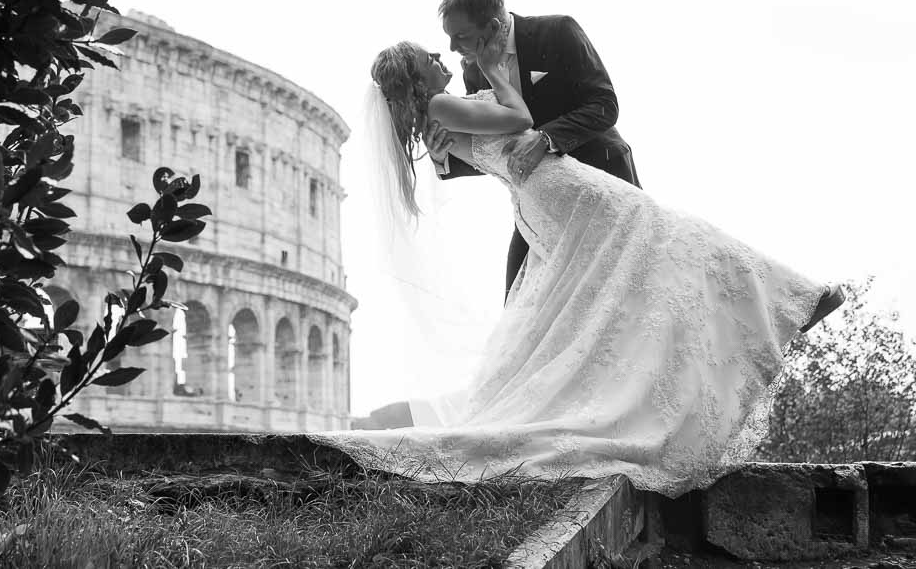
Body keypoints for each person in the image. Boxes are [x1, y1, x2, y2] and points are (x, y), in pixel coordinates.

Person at [312, 38, 844, 497]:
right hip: (564, 190)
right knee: (669, 239)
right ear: (415, 75)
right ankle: (788, 302)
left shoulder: (443, 114)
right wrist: (497, 68)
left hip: (552, 192)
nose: (439, 54)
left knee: (661, 251)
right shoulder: (444, 107)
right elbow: (519, 119)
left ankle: (781, 304)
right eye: (428, 55)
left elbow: (484, 145)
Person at [427, 0, 640, 299]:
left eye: (461, 36)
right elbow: (497, 152)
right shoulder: (473, 72)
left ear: (494, 25)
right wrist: (443, 156)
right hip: (538, 201)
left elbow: (604, 105)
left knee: (621, 294)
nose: (453, 48)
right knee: (518, 303)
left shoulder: (557, 32)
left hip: (601, 178)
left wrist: (545, 138)